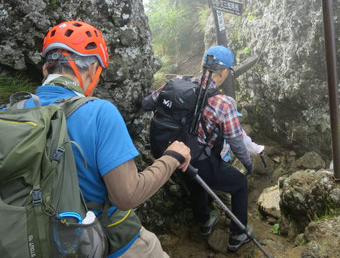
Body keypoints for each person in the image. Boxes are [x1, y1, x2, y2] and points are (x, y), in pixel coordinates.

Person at [28, 20, 191, 258]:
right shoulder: (99, 112)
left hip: (34, 240)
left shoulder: (12, 112)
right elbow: (127, 195)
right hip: (104, 242)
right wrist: (172, 157)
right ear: (93, 70)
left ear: (45, 70)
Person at [149, 45, 253, 252]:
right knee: (240, 183)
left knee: (194, 182)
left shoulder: (177, 82)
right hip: (199, 158)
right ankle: (238, 234)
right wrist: (248, 164)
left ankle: (205, 221)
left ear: (203, 64)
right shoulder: (224, 103)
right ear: (224, 72)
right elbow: (236, 143)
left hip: (170, 153)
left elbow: (148, 102)